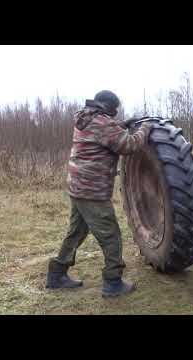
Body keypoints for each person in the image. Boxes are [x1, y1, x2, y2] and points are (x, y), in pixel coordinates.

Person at [46, 90, 152, 298]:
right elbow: (128, 145)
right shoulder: (103, 123)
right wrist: (145, 130)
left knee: (76, 232)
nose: (115, 115)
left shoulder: (85, 118)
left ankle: (56, 274)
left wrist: (122, 125)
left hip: (78, 187)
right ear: (108, 107)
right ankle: (112, 282)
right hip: (92, 191)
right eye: (114, 111)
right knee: (111, 235)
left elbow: (103, 134)